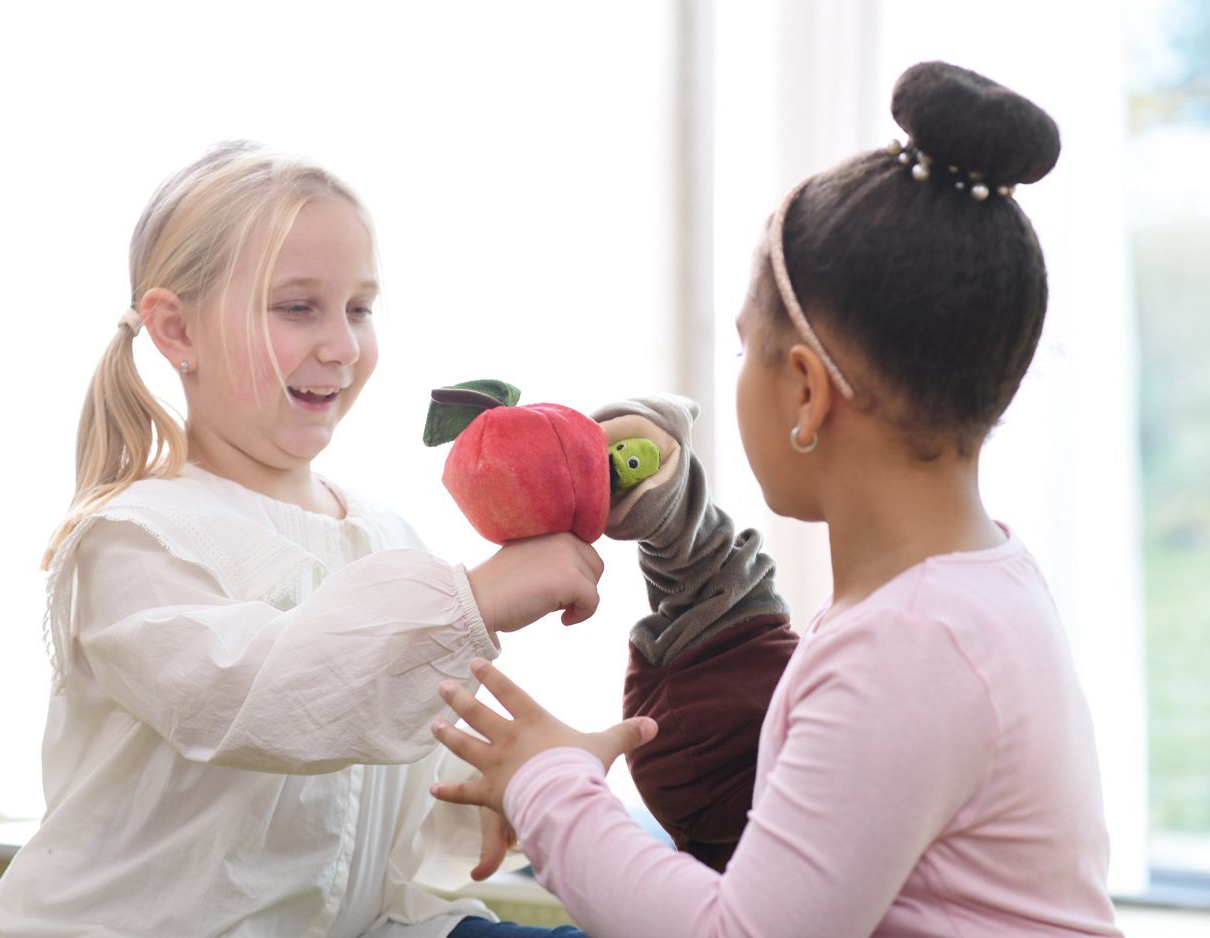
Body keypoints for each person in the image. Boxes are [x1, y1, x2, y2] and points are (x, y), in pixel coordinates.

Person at [428, 62, 1125, 936]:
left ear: (805, 391)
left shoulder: (908, 646)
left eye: (742, 349)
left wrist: (547, 781)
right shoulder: (979, 586)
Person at [0, 141, 599, 938]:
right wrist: (474, 599)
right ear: (176, 331)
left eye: (360, 308)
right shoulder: (132, 541)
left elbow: (399, 756)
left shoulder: (385, 535)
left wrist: (517, 780)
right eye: (298, 307)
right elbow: (260, 699)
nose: (341, 346)